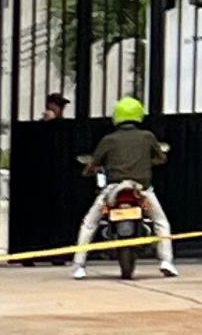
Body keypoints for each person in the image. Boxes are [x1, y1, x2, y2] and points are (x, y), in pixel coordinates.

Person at [72, 95, 177, 280]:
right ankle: (166, 261)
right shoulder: (148, 137)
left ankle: (79, 265)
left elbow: (94, 163)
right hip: (141, 192)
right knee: (161, 222)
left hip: (113, 193)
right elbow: (162, 158)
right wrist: (147, 161)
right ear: (138, 114)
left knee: (90, 223)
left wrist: (87, 171)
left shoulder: (108, 140)